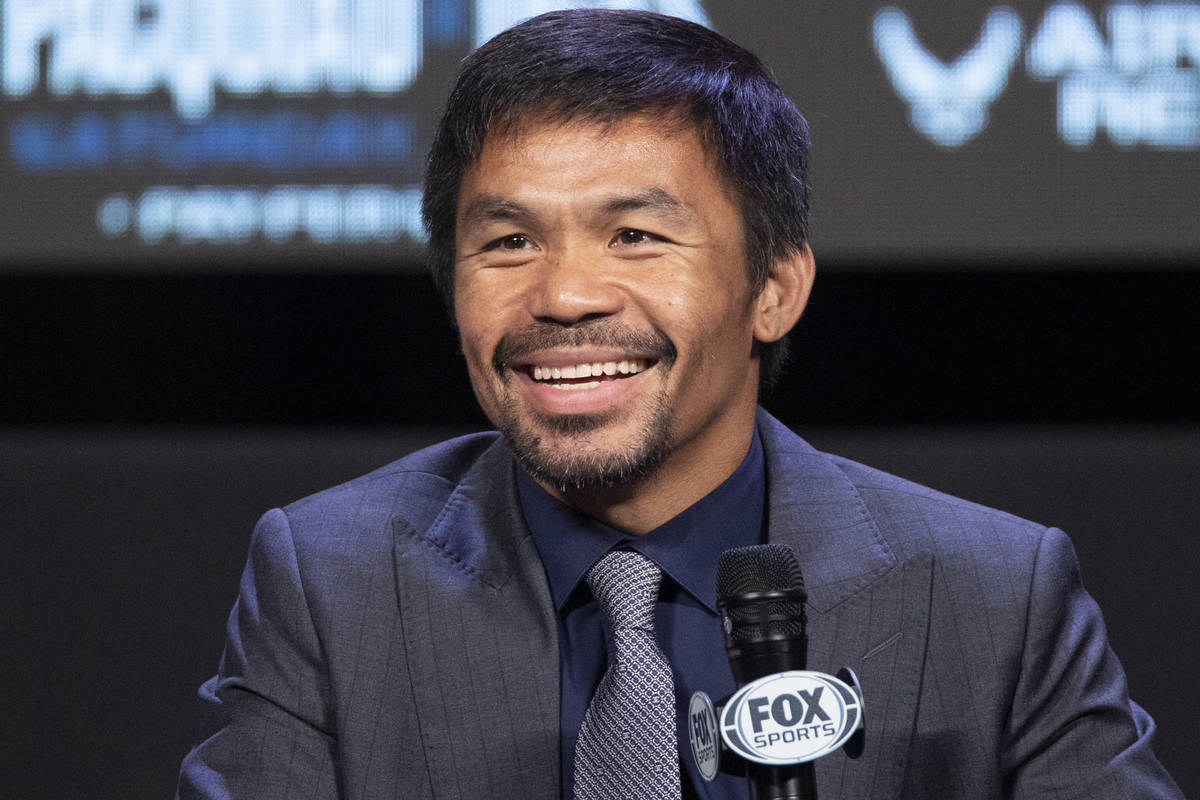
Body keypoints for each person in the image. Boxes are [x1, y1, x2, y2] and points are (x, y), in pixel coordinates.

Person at [176, 9, 1183, 800]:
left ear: (775, 288)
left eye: (637, 236)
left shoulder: (991, 596)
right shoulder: (329, 583)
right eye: (508, 242)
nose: (564, 295)